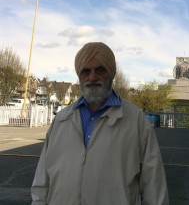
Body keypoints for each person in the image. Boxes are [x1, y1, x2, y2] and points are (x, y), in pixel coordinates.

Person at [31, 42, 169, 205]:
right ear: (79, 76)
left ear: (111, 73)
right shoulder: (61, 120)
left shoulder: (135, 121)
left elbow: (154, 188)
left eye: (100, 70)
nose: (92, 77)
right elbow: (42, 183)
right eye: (86, 71)